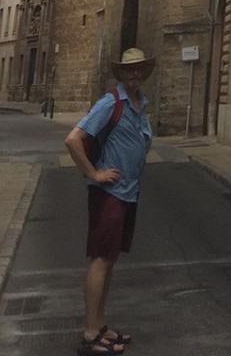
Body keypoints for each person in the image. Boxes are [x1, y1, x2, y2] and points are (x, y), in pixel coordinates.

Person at [65, 48, 155, 356]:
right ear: (120, 73)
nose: (135, 74)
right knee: (101, 259)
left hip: (129, 192)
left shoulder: (140, 104)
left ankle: (100, 324)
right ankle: (90, 333)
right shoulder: (110, 102)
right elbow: (73, 139)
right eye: (129, 70)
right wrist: (93, 173)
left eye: (139, 69)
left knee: (111, 258)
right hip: (110, 194)